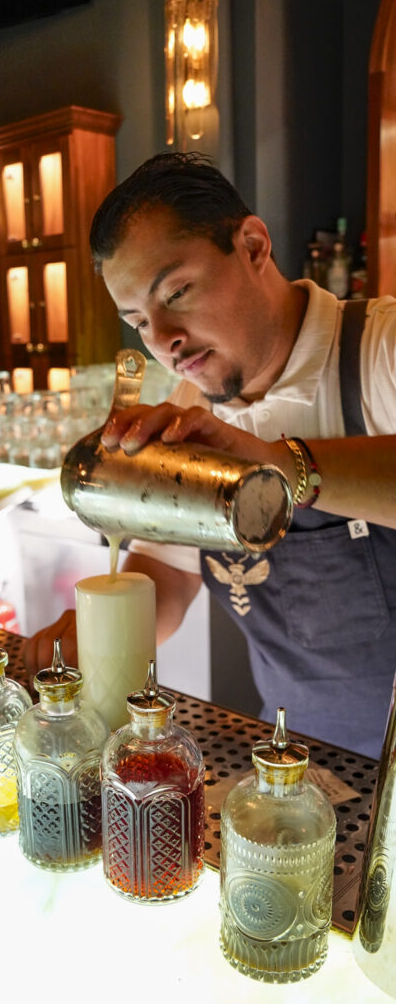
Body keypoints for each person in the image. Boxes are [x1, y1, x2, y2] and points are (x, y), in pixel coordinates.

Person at [23, 152, 396, 759]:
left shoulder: (376, 352)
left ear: (251, 245)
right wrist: (98, 636)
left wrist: (283, 466)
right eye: (138, 321)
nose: (163, 339)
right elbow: (167, 573)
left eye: (177, 291)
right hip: (296, 768)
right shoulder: (195, 400)